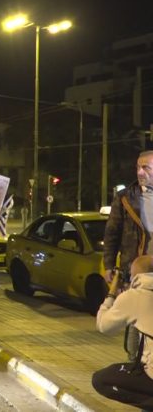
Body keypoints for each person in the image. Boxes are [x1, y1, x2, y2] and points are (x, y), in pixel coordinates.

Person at [92, 255, 153, 409]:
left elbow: (104, 326)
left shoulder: (136, 296)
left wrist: (112, 293)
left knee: (101, 379)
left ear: (137, 276)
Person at [104, 150, 153, 282]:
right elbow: (112, 233)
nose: (139, 172)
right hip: (135, 270)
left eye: (145, 168)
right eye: (138, 167)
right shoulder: (124, 198)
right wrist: (109, 266)